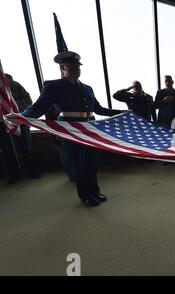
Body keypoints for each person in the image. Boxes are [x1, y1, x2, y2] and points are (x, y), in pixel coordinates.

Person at [22, 51, 124, 206]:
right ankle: (85, 195)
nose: (77, 69)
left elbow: (99, 109)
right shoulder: (53, 85)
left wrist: (123, 113)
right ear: (63, 67)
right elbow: (38, 107)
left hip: (90, 128)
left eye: (78, 66)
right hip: (71, 130)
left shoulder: (87, 88)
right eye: (72, 66)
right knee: (78, 164)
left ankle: (95, 191)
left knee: (91, 163)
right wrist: (20, 117)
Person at [0, 74, 41, 183]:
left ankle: (32, 171)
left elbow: (29, 101)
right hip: (2, 124)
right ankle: (14, 174)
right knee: (8, 150)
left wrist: (13, 108)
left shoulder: (15, 85)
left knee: (26, 147)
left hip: (19, 120)